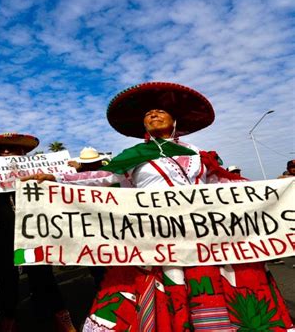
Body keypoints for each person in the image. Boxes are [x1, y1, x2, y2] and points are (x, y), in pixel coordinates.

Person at [24, 82, 294, 331]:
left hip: (203, 235)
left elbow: (223, 183)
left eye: (160, 111)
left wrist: (277, 191)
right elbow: (103, 178)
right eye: (148, 113)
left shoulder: (198, 154)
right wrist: (56, 178)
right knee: (162, 283)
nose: (153, 114)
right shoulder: (132, 157)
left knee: (212, 287)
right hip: (156, 238)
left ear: (174, 121)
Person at [0, 133, 76, 332]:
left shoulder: (40, 175)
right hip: (3, 236)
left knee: (43, 276)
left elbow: (67, 193)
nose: (5, 152)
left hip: (35, 235)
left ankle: (60, 316)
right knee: (7, 280)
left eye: (11, 148)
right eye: (0, 150)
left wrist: (66, 172)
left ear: (22, 152)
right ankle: (8, 319)